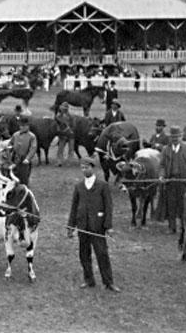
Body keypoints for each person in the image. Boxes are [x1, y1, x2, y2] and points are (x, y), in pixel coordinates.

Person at [67, 155, 120, 292]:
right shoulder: (79, 186)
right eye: (82, 168)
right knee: (84, 254)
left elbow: (109, 206)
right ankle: (88, 280)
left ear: (93, 168)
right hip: (83, 226)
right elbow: (74, 207)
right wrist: (71, 226)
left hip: (97, 227)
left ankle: (108, 282)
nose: (84, 170)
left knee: (102, 254)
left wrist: (108, 226)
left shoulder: (102, 186)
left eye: (86, 167)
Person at [159, 126, 186, 234]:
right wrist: (162, 176)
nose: (175, 139)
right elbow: (162, 165)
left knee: (184, 206)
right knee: (171, 205)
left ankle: (184, 227)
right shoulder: (165, 149)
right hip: (170, 182)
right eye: (173, 137)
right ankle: (171, 227)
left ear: (181, 137)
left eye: (177, 137)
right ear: (170, 138)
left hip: (184, 182)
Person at [9, 116, 37, 186]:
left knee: (24, 179)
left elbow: (33, 148)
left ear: (28, 126)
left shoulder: (32, 136)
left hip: (24, 160)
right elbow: (10, 145)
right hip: (15, 159)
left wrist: (28, 158)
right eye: (20, 126)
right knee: (12, 177)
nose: (21, 127)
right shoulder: (15, 135)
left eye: (23, 126)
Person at [55, 102, 75, 167]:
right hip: (63, 135)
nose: (64, 110)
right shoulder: (58, 116)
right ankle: (59, 161)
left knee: (71, 149)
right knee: (60, 149)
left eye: (65, 108)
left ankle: (69, 161)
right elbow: (58, 125)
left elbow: (73, 126)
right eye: (63, 108)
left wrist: (71, 130)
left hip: (70, 135)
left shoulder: (70, 116)